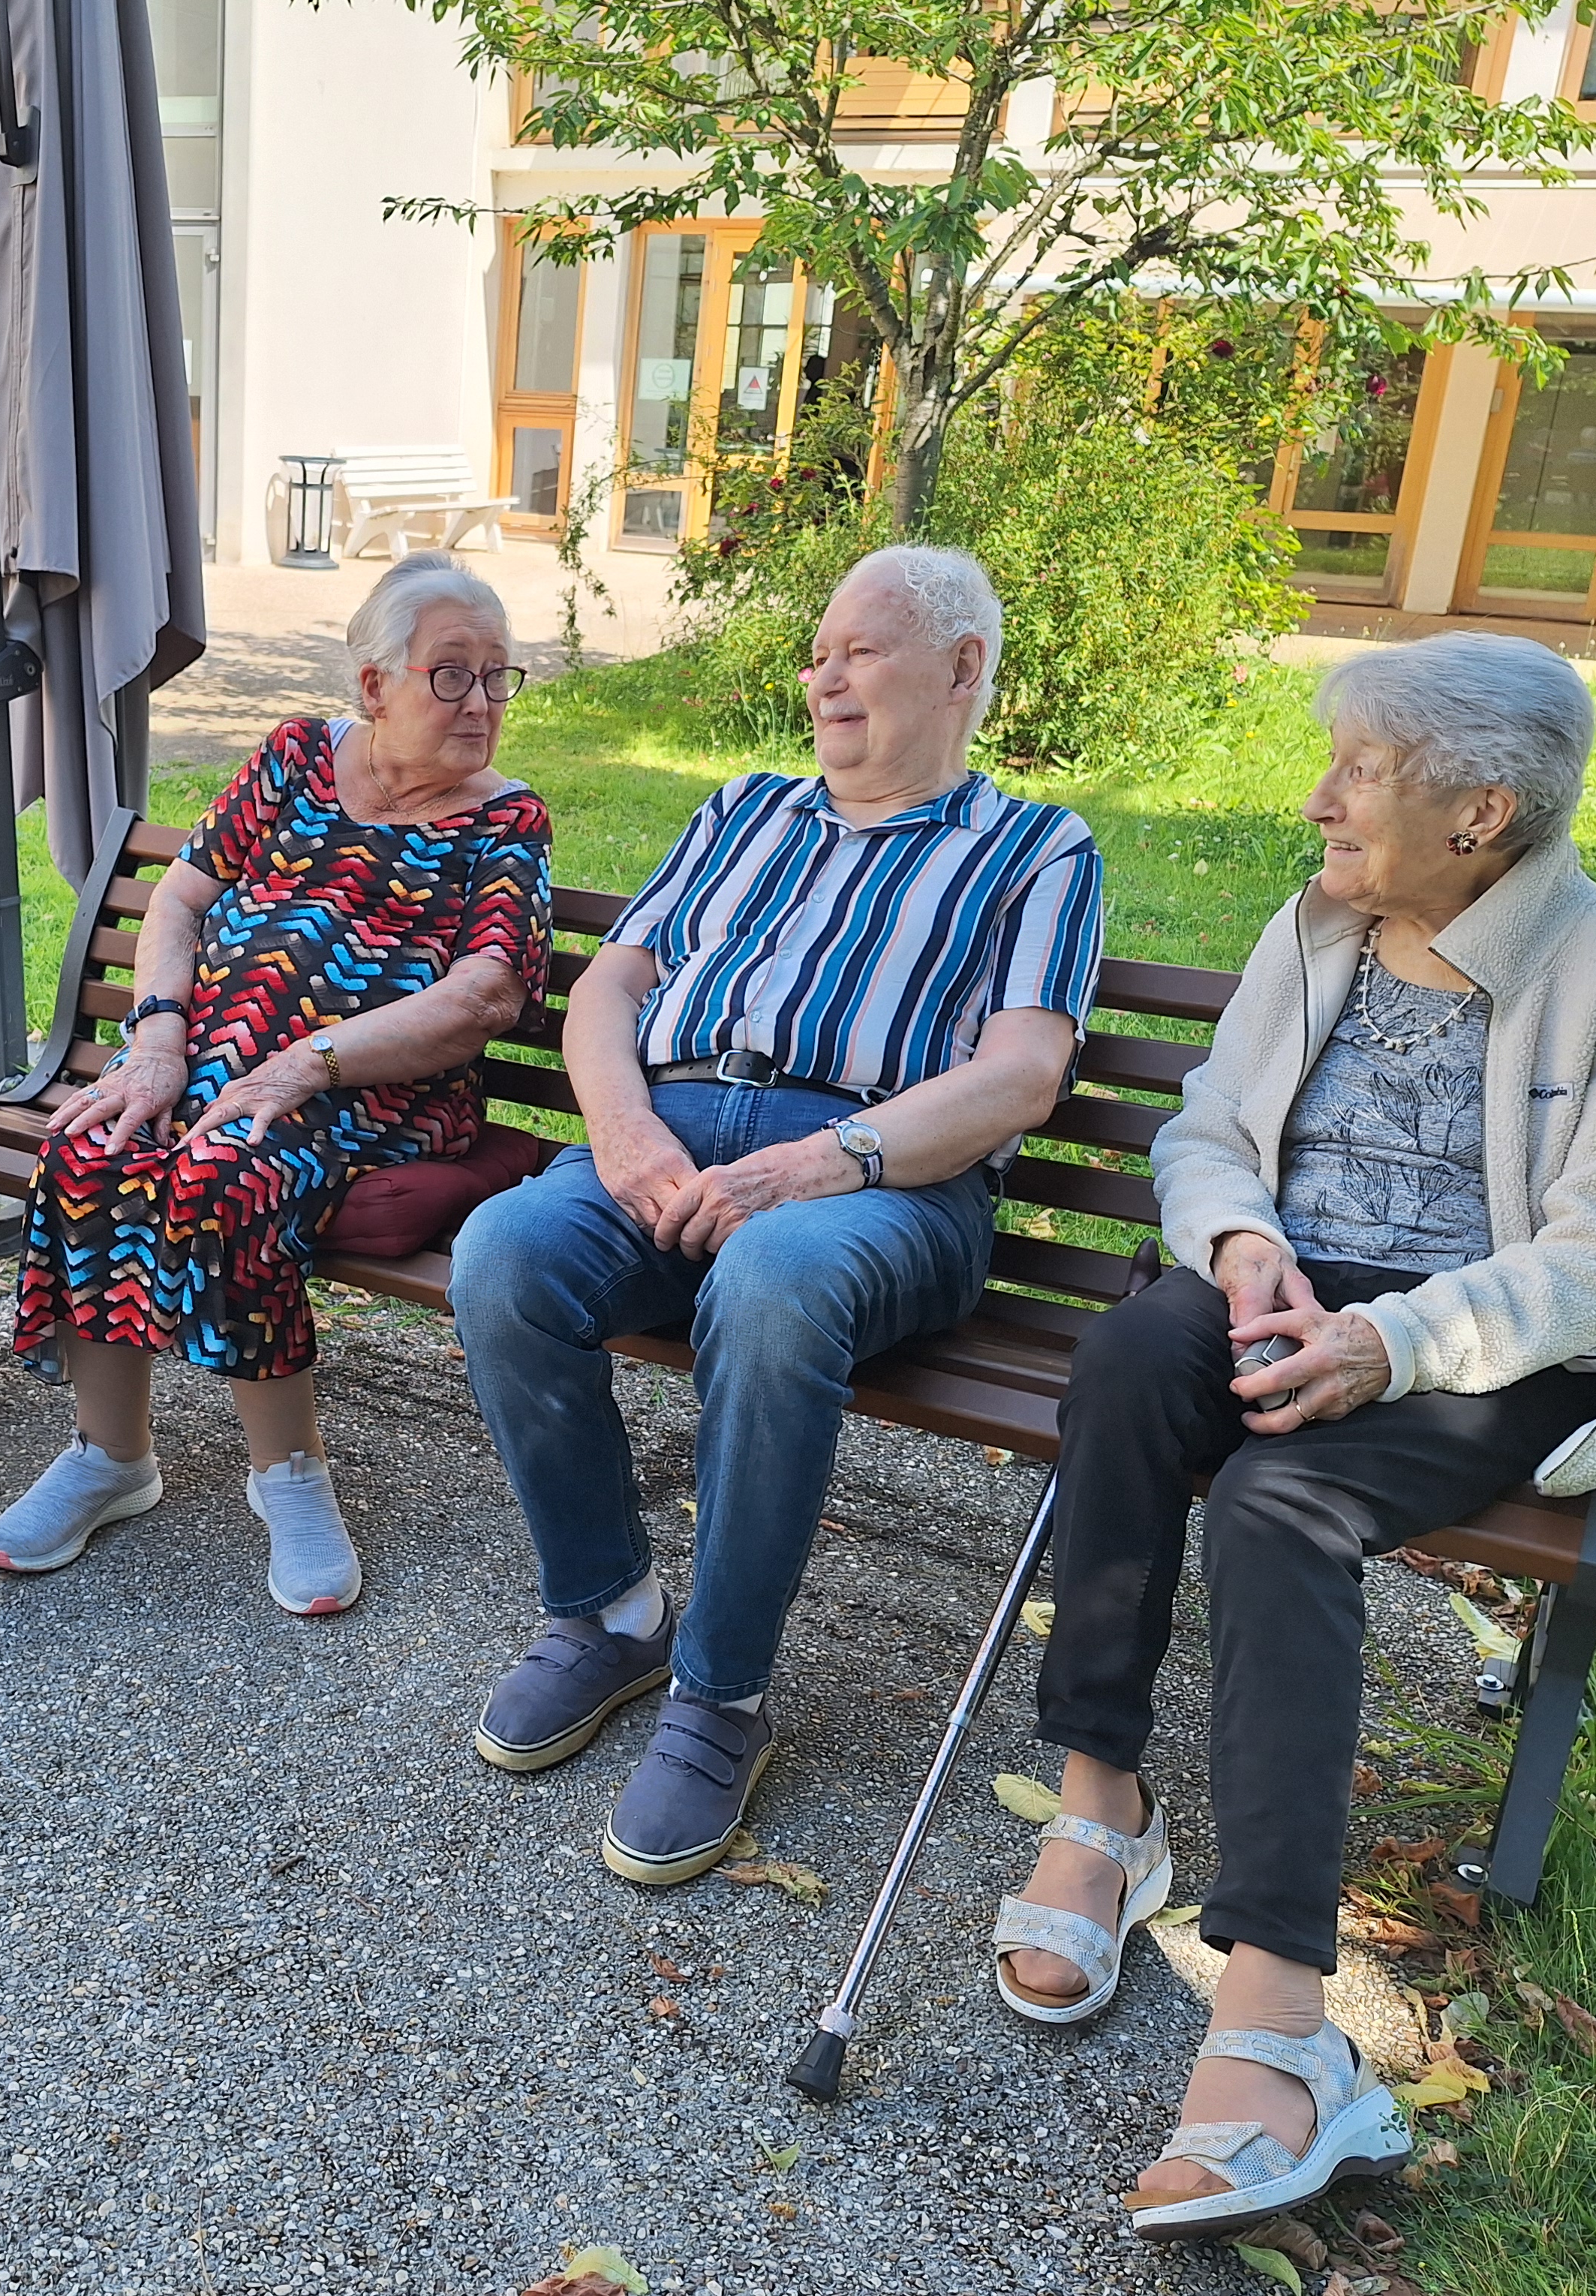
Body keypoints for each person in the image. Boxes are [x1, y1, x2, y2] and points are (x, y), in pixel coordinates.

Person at [993, 633, 1596, 2240]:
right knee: (1122, 1371)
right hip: (1292, 1286)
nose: (1319, 801)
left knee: (1278, 1504)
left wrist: (1393, 1342)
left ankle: (1281, 2026)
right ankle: (1105, 1804)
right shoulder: (1318, 927)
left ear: (1483, 810)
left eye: (1360, 772)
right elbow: (1214, 1131)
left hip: (1501, 1341)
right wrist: (1241, 1243)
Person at [452, 545, 1104, 1886]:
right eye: (820, 654)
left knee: (772, 1283)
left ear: (962, 668)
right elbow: (604, 993)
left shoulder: (1039, 848)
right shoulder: (741, 809)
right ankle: (608, 1615)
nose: (824, 678)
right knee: (507, 1251)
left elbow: (1024, 1073)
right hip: (670, 1141)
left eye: (859, 651)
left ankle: (721, 1695)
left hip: (885, 1180)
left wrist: (820, 1162)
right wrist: (622, 1130)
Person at [0, 551, 552, 1615]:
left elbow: (485, 999)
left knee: (224, 1170)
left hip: (369, 1097)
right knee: (88, 1144)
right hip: (207, 1064)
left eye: (496, 676)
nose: (480, 701)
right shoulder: (294, 759)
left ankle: (289, 1476)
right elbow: (180, 904)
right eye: (451, 673)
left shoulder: (503, 821)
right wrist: (155, 1039)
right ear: (374, 683)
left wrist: (308, 1061)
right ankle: (113, 1458)